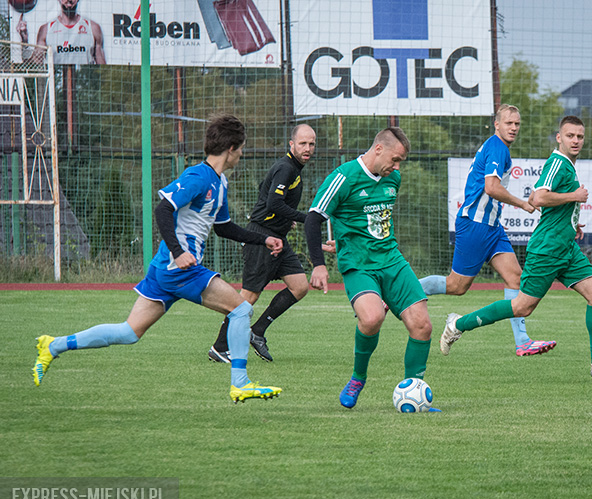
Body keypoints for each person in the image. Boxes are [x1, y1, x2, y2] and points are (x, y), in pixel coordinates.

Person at [31, 114, 285, 403]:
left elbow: (224, 227)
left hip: (167, 268)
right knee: (240, 311)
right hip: (177, 268)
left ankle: (53, 346)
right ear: (231, 148)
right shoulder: (199, 177)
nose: (242, 153)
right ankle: (240, 383)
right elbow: (164, 209)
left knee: (129, 332)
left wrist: (263, 238)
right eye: (241, 148)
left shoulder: (219, 182)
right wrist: (178, 252)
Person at [440, 116, 592, 379]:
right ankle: (457, 324)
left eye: (580, 136)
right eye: (570, 136)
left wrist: (571, 223)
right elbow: (539, 197)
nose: (575, 141)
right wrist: (574, 196)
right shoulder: (557, 162)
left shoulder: (568, 165)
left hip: (566, 247)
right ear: (559, 138)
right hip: (547, 250)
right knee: (521, 307)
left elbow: (543, 201)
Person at [304, 127, 439, 410]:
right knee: (372, 318)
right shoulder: (343, 177)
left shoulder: (394, 179)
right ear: (378, 149)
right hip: (359, 264)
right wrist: (318, 265)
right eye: (395, 158)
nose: (397, 167)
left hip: (391, 260)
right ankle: (357, 378)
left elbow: (375, 222)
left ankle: (413, 389)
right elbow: (313, 219)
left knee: (423, 325)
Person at [419, 104, 556, 356]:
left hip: (492, 228)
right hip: (475, 225)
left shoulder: (500, 148)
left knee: (516, 278)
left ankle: (523, 341)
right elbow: (491, 188)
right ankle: (402, 292)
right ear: (497, 124)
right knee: (457, 286)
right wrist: (523, 203)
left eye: (517, 124)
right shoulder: (496, 146)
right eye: (508, 123)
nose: (513, 127)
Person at [206, 124, 331, 364]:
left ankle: (258, 331)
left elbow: (274, 204)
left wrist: (288, 219)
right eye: (303, 143)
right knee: (248, 296)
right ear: (291, 144)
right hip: (263, 237)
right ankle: (220, 347)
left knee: (299, 286)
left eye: (312, 144)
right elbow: (273, 204)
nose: (308, 148)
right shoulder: (286, 168)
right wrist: (307, 219)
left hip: (278, 237)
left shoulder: (293, 168)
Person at [17, 0, 106, 65]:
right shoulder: (46, 29)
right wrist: (24, 41)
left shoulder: (93, 28)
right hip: (56, 86)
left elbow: (102, 68)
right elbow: (33, 65)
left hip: (85, 85)